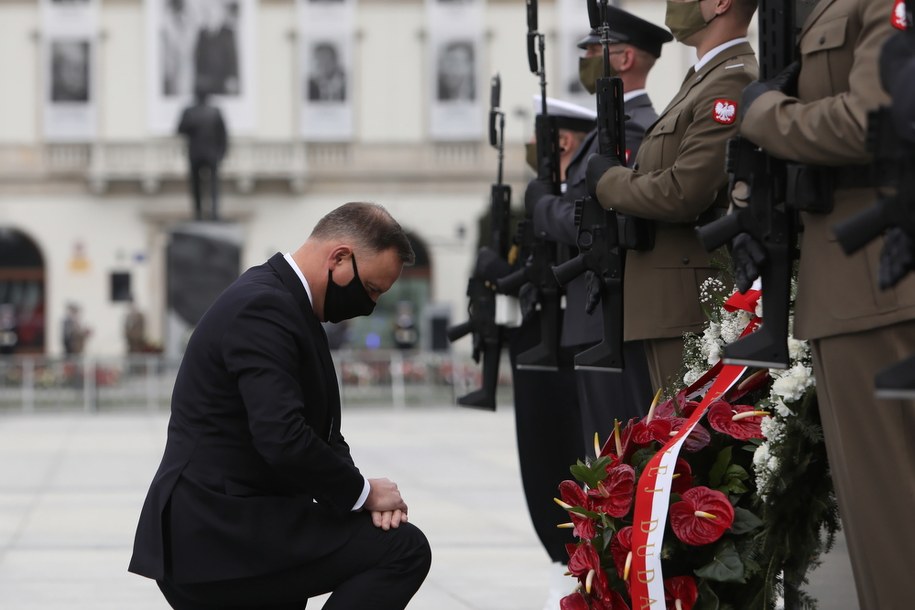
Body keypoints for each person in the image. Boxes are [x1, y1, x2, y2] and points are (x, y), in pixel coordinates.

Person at [128, 202, 431, 609]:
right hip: (215, 533)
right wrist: (362, 493)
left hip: (238, 523)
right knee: (403, 549)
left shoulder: (288, 304)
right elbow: (282, 436)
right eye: (372, 289)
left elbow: (321, 434)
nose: (370, 304)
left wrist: (363, 503)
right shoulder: (264, 307)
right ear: (339, 258)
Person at [730, 1, 915, 607]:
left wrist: (766, 115)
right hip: (852, 284)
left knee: (890, 515)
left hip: (876, 287)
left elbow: (873, 119)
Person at [586, 0, 759, 392]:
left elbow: (685, 192)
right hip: (667, 302)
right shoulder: (704, 77)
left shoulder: (731, 81)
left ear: (720, 4)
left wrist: (608, 182)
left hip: (686, 305)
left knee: (687, 440)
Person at [525, 6, 673, 456]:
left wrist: (541, 206)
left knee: (619, 455)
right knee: (603, 454)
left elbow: (592, 219)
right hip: (596, 315)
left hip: (613, 313)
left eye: (591, 51)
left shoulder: (630, 127)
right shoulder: (608, 129)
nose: (585, 58)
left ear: (624, 58)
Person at [509, 97, 596, 610]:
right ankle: (563, 559)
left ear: (561, 141)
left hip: (570, 342)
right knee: (541, 460)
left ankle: (576, 557)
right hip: (542, 338)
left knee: (567, 456)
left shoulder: (570, 195)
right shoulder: (553, 194)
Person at [177, 86, 228, 221]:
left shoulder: (194, 112)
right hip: (204, 154)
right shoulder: (210, 112)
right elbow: (223, 136)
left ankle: (207, 212)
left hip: (202, 154)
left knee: (207, 184)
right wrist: (222, 152)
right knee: (203, 184)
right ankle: (204, 213)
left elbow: (222, 135)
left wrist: (222, 152)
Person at [193, 2, 239, 96]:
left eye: (212, 13)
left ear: (219, 15)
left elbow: (232, 57)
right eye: (207, 13)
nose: (210, 16)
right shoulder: (202, 34)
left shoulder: (227, 33)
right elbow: (198, 57)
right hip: (206, 82)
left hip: (223, 79)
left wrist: (232, 77)